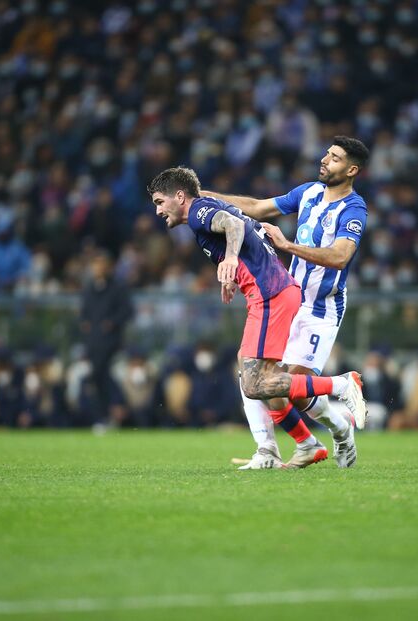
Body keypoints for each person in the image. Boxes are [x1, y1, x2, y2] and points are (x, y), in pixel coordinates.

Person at [148, 166, 366, 469]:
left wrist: (233, 258)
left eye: (160, 202)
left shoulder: (199, 212)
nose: (158, 210)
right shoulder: (206, 210)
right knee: (249, 373)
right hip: (273, 294)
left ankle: (339, 387)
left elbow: (236, 226)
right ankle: (296, 446)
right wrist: (233, 273)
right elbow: (257, 230)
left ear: (179, 196)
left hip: (271, 296)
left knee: (255, 384)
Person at [202, 136, 369, 468]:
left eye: (334, 158)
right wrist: (206, 197)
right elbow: (256, 206)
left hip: (321, 308)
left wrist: (287, 245)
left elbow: (340, 256)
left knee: (290, 385)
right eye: (326, 153)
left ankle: (337, 429)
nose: (324, 159)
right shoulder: (307, 192)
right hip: (288, 296)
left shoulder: (353, 209)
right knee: (256, 375)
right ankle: (277, 448)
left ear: (351, 170)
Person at [80, 251, 133, 427]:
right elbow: (84, 313)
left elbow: (127, 312)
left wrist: (112, 323)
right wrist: (85, 323)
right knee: (98, 378)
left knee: (101, 376)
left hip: (111, 343)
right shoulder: (89, 289)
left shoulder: (118, 288)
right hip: (93, 342)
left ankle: (111, 413)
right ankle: (108, 414)